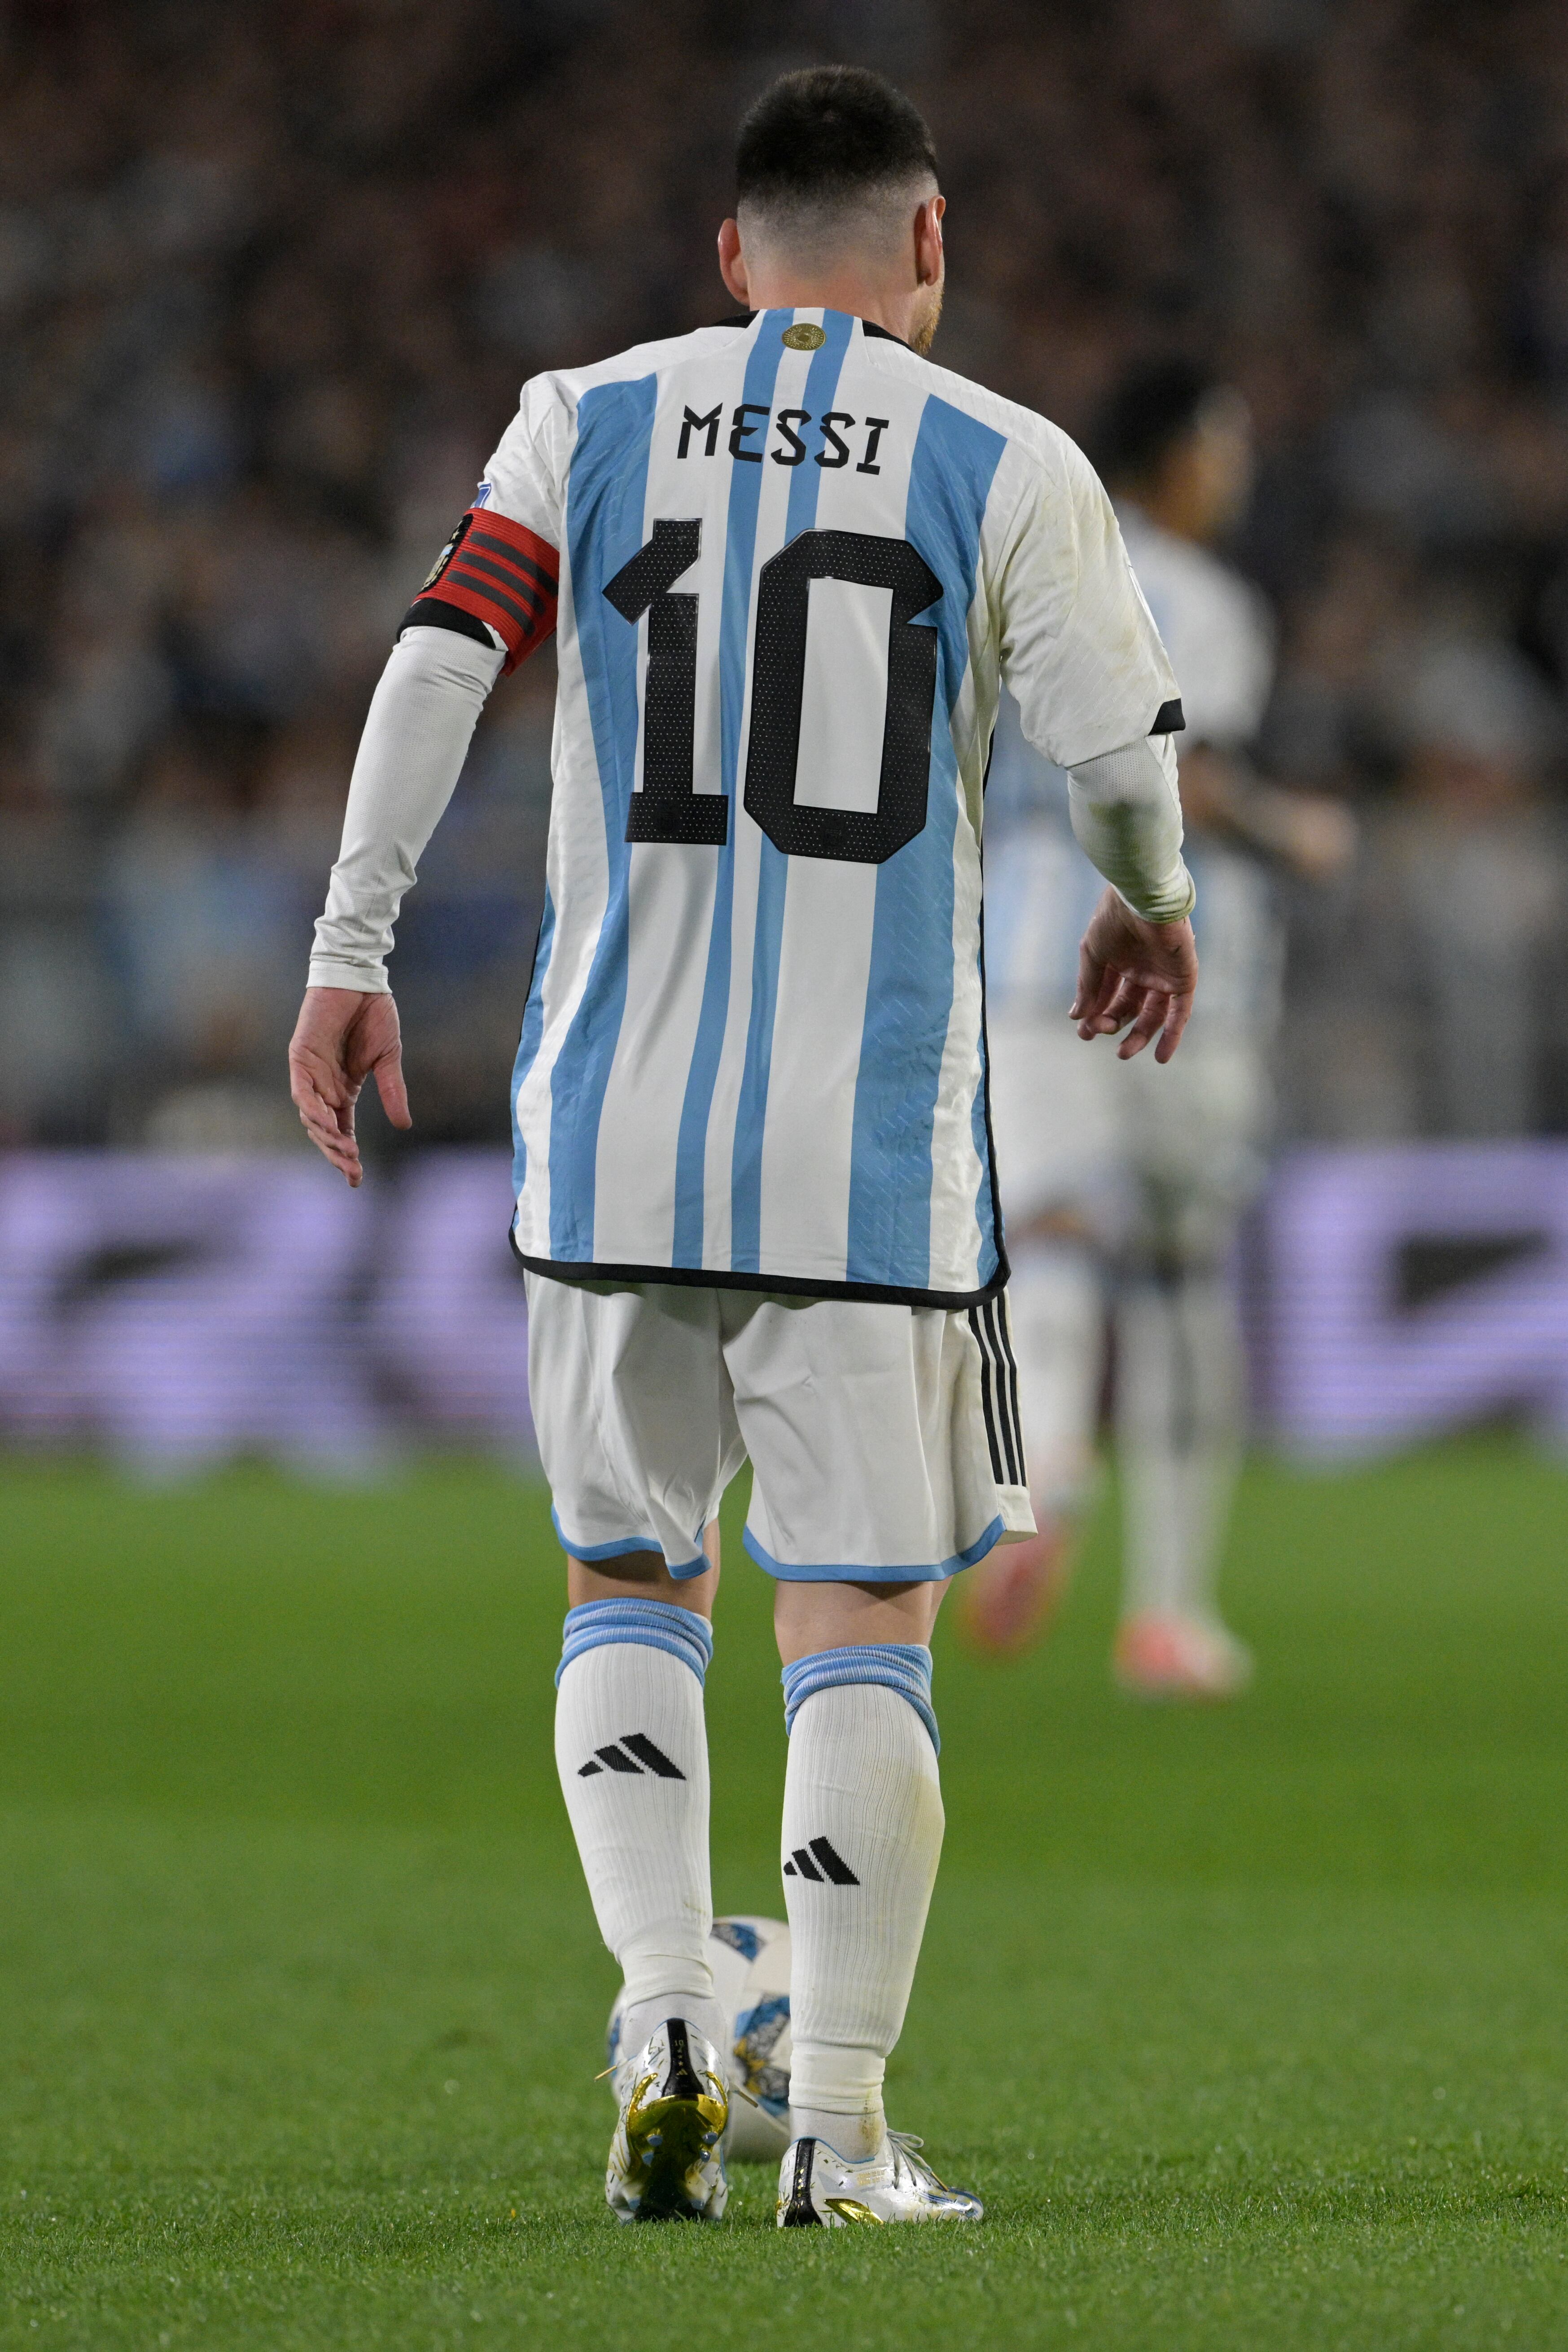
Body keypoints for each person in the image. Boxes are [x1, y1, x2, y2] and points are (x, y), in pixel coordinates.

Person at [289, 69, 1202, 2229]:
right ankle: (851, 2127)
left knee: (627, 1577)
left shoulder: (579, 416)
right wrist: (1150, 902)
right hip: (873, 1163)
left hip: (606, 1131)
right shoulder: (1004, 457)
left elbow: (443, 654)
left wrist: (349, 941)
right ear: (930, 246)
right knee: (856, 1618)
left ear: (729, 251)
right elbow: (1119, 752)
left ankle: (671, 2017)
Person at [962, 358, 1353, 1695]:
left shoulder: (1013, 567)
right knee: (1184, 1277)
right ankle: (1171, 1614)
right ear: (1180, 457)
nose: (1236, 465)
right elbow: (1191, 774)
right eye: (1227, 439)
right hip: (1185, 975)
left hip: (1018, 960)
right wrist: (1300, 833)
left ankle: (1052, 1457)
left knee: (1052, 1236)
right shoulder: (1208, 600)